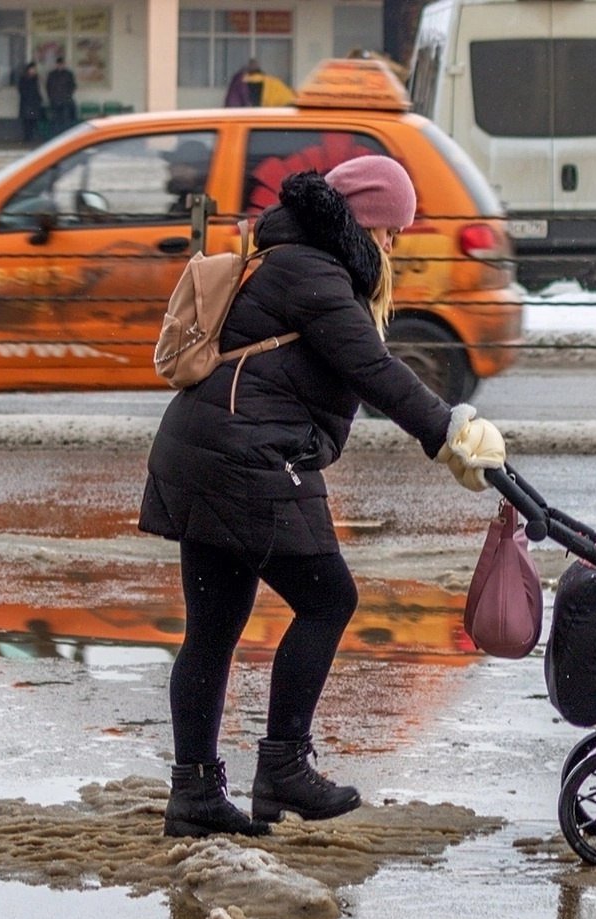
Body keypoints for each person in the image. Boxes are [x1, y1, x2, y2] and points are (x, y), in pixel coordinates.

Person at [140, 157, 508, 837]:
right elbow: (374, 370)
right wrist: (450, 432)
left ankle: (195, 792)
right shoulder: (313, 272)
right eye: (390, 230)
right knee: (328, 597)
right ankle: (282, 767)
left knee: (214, 630)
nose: (394, 245)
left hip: (205, 450)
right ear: (361, 223)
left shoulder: (288, 259)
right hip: (245, 458)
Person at [162, 139, 212, 216]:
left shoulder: (199, 199)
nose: (169, 168)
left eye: (175, 163)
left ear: (192, 169)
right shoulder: (187, 196)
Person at [45, 56, 77, 135]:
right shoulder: (52, 74)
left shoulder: (68, 74)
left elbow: (72, 85)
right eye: (59, 64)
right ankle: (55, 135)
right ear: (56, 65)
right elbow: (48, 86)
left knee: (65, 119)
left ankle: (64, 135)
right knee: (55, 119)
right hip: (55, 100)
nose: (60, 66)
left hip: (65, 100)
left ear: (64, 65)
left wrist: (68, 95)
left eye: (61, 64)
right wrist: (51, 96)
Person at [17, 61, 45, 143]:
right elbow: (21, 90)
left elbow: (39, 89)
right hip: (26, 103)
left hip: (34, 103)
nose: (33, 71)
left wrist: (39, 99)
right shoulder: (23, 79)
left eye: (34, 69)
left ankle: (32, 136)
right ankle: (27, 137)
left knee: (33, 120)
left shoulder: (37, 79)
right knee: (26, 121)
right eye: (32, 69)